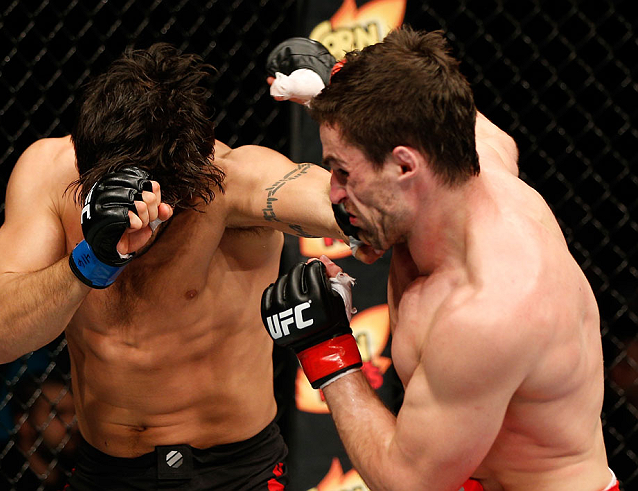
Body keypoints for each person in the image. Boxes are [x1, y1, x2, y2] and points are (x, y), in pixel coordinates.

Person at [0, 42, 348, 490]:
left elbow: (353, 210)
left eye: (171, 194)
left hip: (236, 471)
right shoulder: (50, 175)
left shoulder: (234, 180)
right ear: (88, 165)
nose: (156, 209)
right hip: (107, 471)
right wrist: (90, 261)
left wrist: (348, 115)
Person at [261, 27, 617, 491]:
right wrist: (339, 79)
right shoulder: (464, 159)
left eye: (342, 171)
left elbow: (408, 481)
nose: (333, 192)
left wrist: (326, 349)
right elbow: (440, 103)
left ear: (405, 166)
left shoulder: (488, 310)